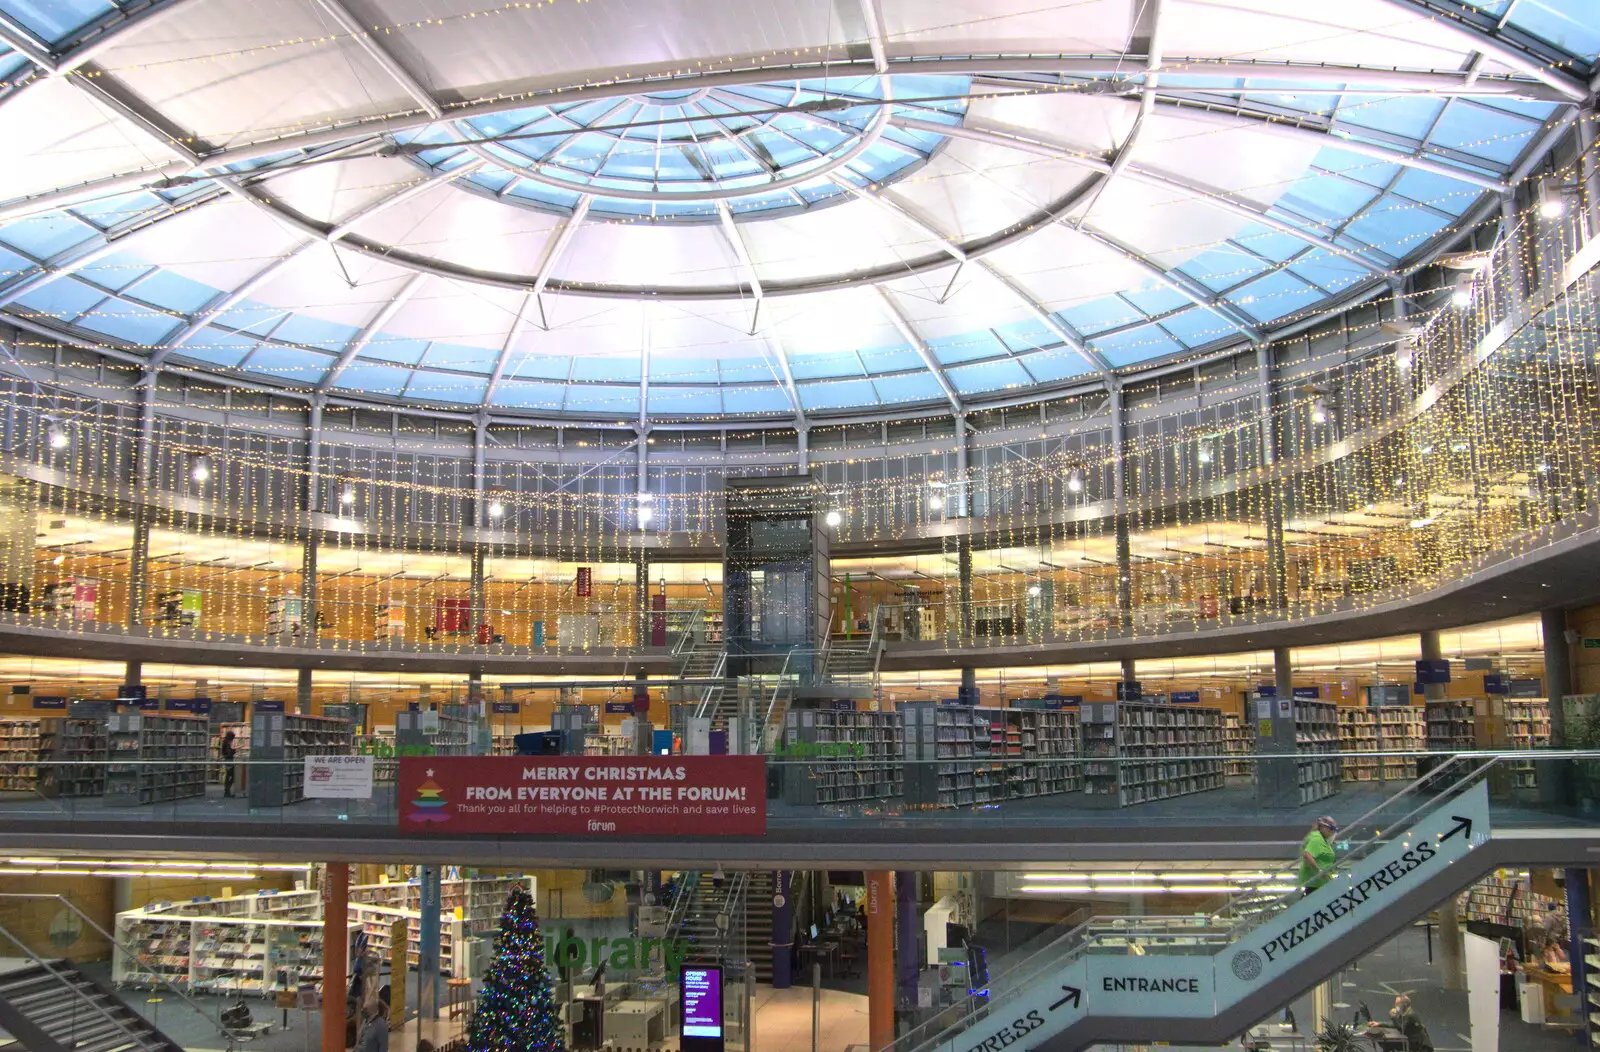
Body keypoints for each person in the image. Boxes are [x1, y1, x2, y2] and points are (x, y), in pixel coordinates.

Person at [1298, 816, 1338, 895]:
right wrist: (1319, 871)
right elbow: (1307, 854)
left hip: (1320, 883)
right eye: (1331, 829)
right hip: (1316, 884)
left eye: (1333, 830)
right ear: (1322, 827)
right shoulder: (1317, 839)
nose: (1332, 832)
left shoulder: (1322, 840)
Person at [220, 728, 236, 798]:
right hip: (228, 761)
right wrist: (234, 751)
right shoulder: (226, 743)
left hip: (228, 761)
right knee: (231, 775)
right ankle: (227, 791)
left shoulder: (226, 742)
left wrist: (233, 750)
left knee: (229, 775)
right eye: (232, 738)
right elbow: (228, 753)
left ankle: (227, 791)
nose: (232, 740)